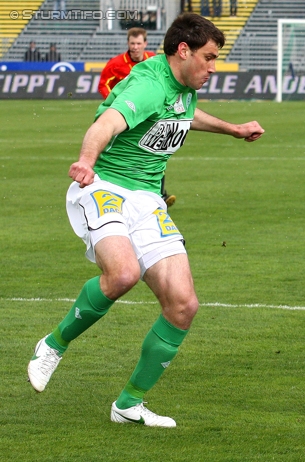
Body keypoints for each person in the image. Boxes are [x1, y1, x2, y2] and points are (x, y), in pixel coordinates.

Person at [27, 13, 265, 428]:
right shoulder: (148, 82)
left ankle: (128, 404)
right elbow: (106, 123)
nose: (214, 67)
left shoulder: (182, 85)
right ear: (184, 50)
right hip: (105, 186)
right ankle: (52, 344)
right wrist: (85, 162)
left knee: (183, 305)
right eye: (209, 58)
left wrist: (232, 129)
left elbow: (184, 115)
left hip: (147, 199)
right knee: (122, 275)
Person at [98, 28, 176, 207]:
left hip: (148, 116)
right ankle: (110, 188)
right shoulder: (116, 63)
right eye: (132, 43)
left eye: (139, 43)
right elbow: (104, 84)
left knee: (154, 151)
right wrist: (118, 105)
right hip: (124, 117)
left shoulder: (154, 60)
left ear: (145, 44)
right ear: (128, 44)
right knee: (123, 153)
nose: (135, 47)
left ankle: (159, 194)